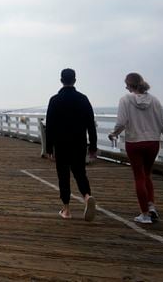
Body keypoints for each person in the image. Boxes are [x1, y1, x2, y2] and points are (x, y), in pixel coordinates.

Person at [108, 72, 163, 224]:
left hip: (134, 143)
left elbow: (121, 122)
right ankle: (151, 206)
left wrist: (114, 133)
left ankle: (145, 214)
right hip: (152, 143)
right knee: (147, 175)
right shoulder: (154, 100)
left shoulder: (125, 100)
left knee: (139, 177)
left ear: (128, 85)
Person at [44, 68, 97, 221]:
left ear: (61, 80)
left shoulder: (54, 100)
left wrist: (49, 148)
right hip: (79, 142)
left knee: (63, 175)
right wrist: (92, 146)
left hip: (61, 144)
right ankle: (87, 197)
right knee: (80, 173)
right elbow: (90, 125)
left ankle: (66, 210)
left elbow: (50, 125)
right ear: (75, 80)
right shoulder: (83, 99)